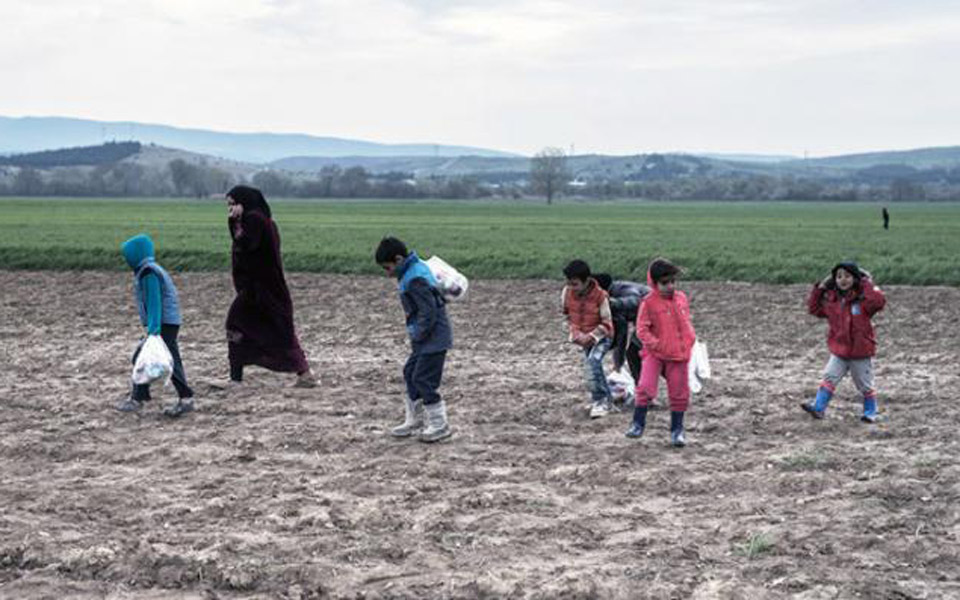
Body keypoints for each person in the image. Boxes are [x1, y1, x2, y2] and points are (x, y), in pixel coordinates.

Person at [225, 185, 317, 388]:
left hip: (261, 289)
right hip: (261, 289)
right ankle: (304, 373)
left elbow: (246, 245)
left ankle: (236, 379)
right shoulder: (260, 220)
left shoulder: (254, 220)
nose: (230, 209)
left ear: (244, 202)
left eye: (233, 204)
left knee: (238, 324)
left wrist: (233, 222)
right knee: (278, 330)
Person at [376, 236, 454, 443]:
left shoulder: (415, 279)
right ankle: (415, 420)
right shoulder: (412, 271)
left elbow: (428, 313)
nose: (387, 273)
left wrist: (418, 333)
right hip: (426, 338)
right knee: (410, 372)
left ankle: (440, 424)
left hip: (433, 338)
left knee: (423, 379)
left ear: (399, 259)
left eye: (387, 267)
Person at [118, 234, 195, 417]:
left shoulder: (148, 272)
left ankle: (142, 398)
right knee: (158, 357)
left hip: (162, 323)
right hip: (167, 321)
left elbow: (154, 301)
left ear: (135, 254)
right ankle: (143, 396)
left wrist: (154, 329)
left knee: (154, 357)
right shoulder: (150, 269)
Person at [802, 262, 886, 422]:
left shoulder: (863, 301)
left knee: (865, 385)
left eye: (847, 276)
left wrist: (867, 282)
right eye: (839, 276)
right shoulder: (832, 302)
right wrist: (820, 288)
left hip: (860, 352)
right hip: (839, 351)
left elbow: (879, 301)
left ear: (856, 279)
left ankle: (871, 412)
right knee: (829, 378)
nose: (843, 280)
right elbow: (813, 308)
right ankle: (818, 408)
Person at [626, 258, 696, 447]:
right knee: (645, 387)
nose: (670, 286)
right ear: (654, 284)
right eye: (665, 283)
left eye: (673, 281)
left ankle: (677, 430)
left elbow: (685, 322)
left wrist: (690, 340)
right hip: (655, 353)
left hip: (678, 354)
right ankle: (637, 424)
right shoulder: (648, 303)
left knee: (680, 393)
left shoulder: (681, 298)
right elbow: (642, 329)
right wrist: (656, 344)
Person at [561, 260, 615, 418]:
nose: (571, 288)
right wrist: (576, 333)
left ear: (586, 281)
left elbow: (607, 323)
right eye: (569, 283)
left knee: (593, 363)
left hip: (602, 337)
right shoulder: (566, 293)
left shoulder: (600, 296)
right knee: (593, 367)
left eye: (575, 284)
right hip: (583, 337)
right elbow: (568, 316)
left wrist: (591, 336)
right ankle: (606, 400)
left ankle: (600, 401)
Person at [594, 273, 650, 384]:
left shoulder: (620, 290)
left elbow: (636, 300)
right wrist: (617, 366)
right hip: (645, 321)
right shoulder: (610, 303)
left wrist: (613, 303)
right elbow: (621, 336)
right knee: (634, 354)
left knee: (637, 354)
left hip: (656, 317)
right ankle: (641, 389)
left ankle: (643, 389)